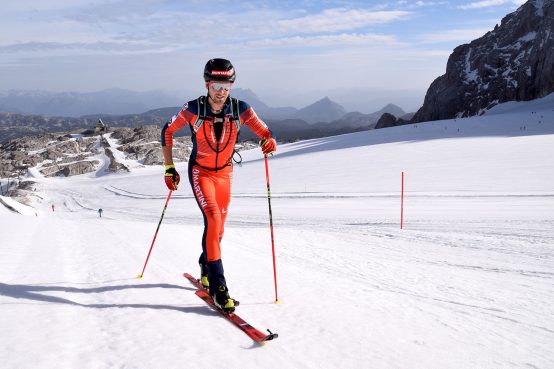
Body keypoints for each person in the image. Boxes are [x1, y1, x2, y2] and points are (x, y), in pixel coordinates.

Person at [161, 58, 276, 313]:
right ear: (206, 84)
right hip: (200, 172)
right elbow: (167, 131)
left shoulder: (241, 109)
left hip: (224, 174)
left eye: (226, 85)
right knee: (213, 219)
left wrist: (268, 142)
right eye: (216, 85)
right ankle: (218, 287)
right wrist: (169, 167)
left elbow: (266, 133)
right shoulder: (193, 109)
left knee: (219, 229)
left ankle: (205, 264)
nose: (221, 91)